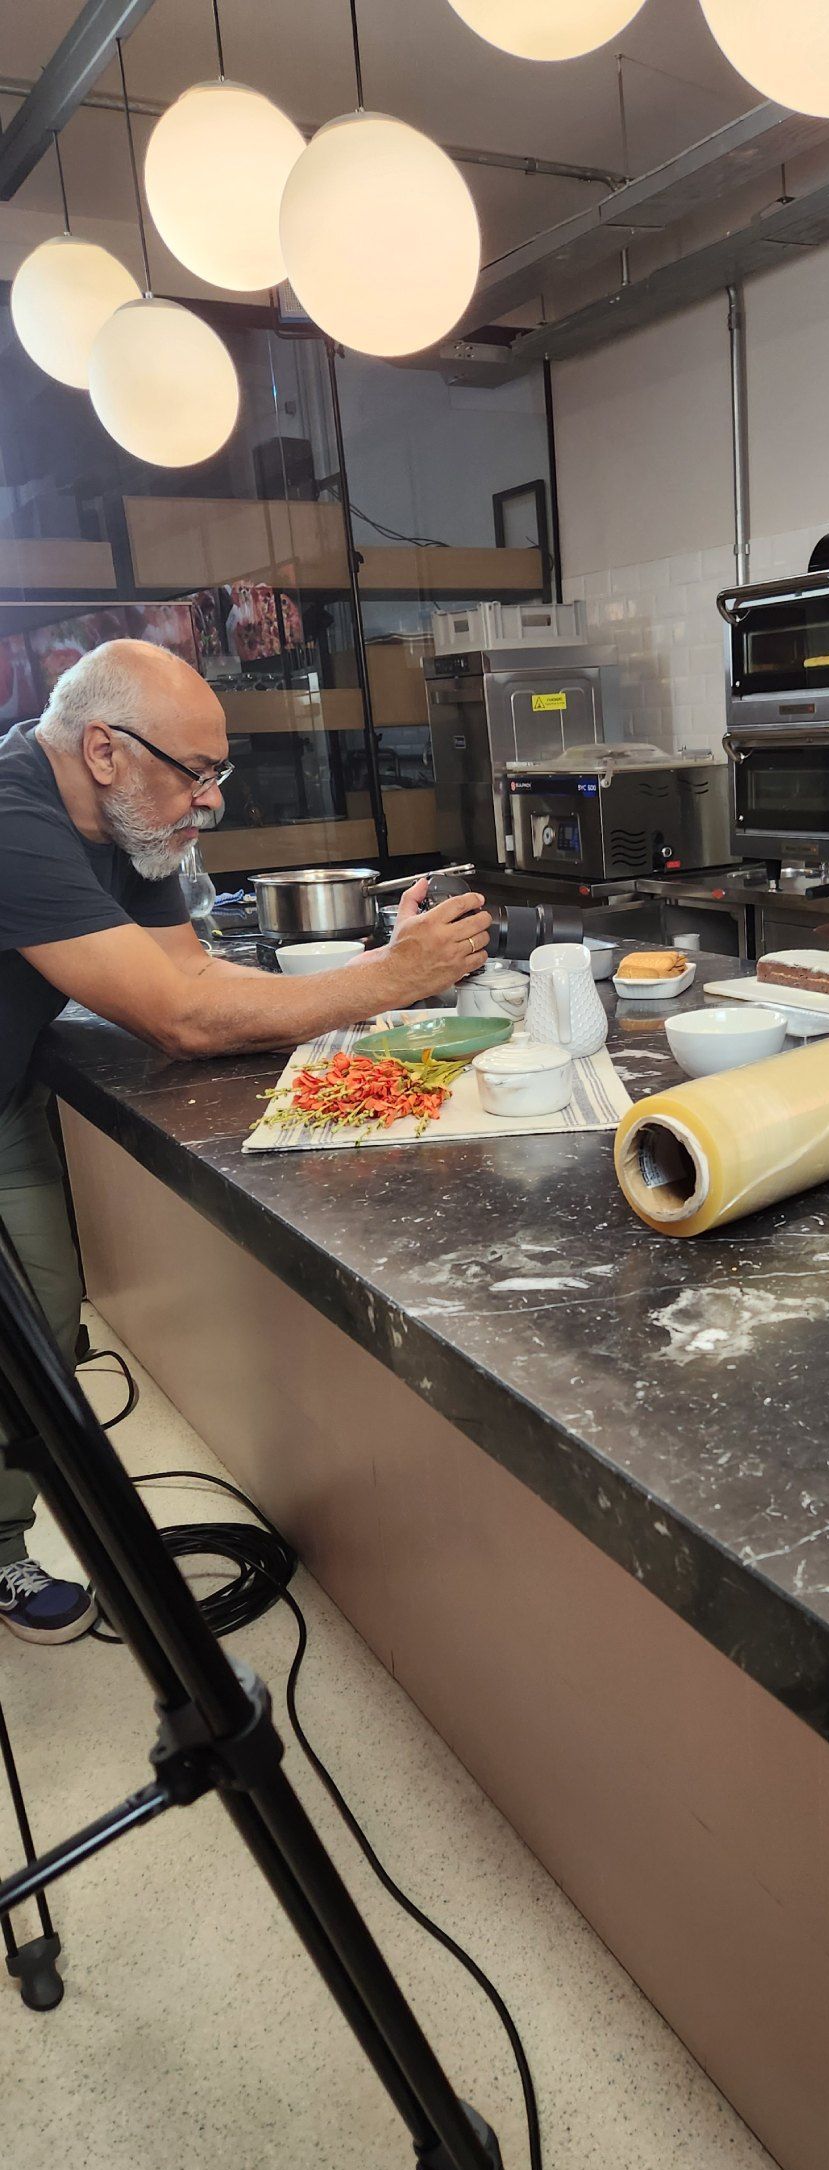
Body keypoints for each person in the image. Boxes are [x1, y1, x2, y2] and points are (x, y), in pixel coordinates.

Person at [0, 639, 492, 1643]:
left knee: (42, 1314)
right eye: (197, 771)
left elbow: (198, 975)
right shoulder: (12, 819)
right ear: (104, 750)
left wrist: (371, 975)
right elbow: (175, 1020)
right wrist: (396, 979)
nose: (210, 799)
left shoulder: (128, 824)